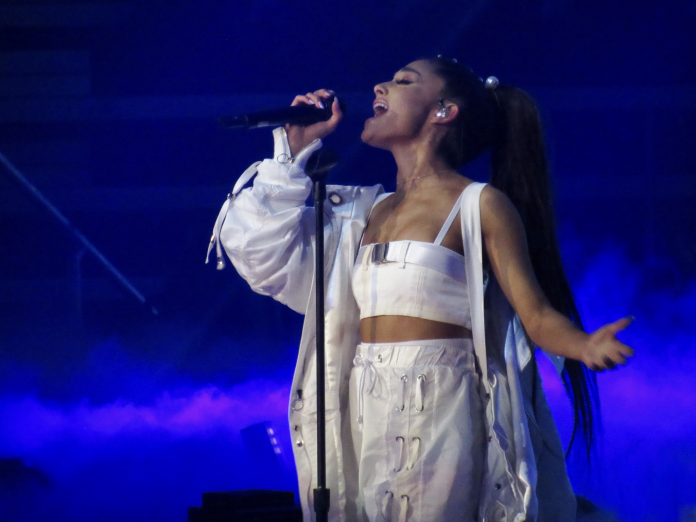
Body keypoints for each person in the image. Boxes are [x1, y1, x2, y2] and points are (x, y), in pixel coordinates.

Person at [207, 56, 633, 522]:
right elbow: (260, 249)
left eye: (402, 81)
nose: (380, 86)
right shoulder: (362, 213)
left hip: (441, 410)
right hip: (365, 407)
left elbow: (536, 315)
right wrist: (291, 153)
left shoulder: (478, 204)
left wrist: (584, 345)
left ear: (443, 111)